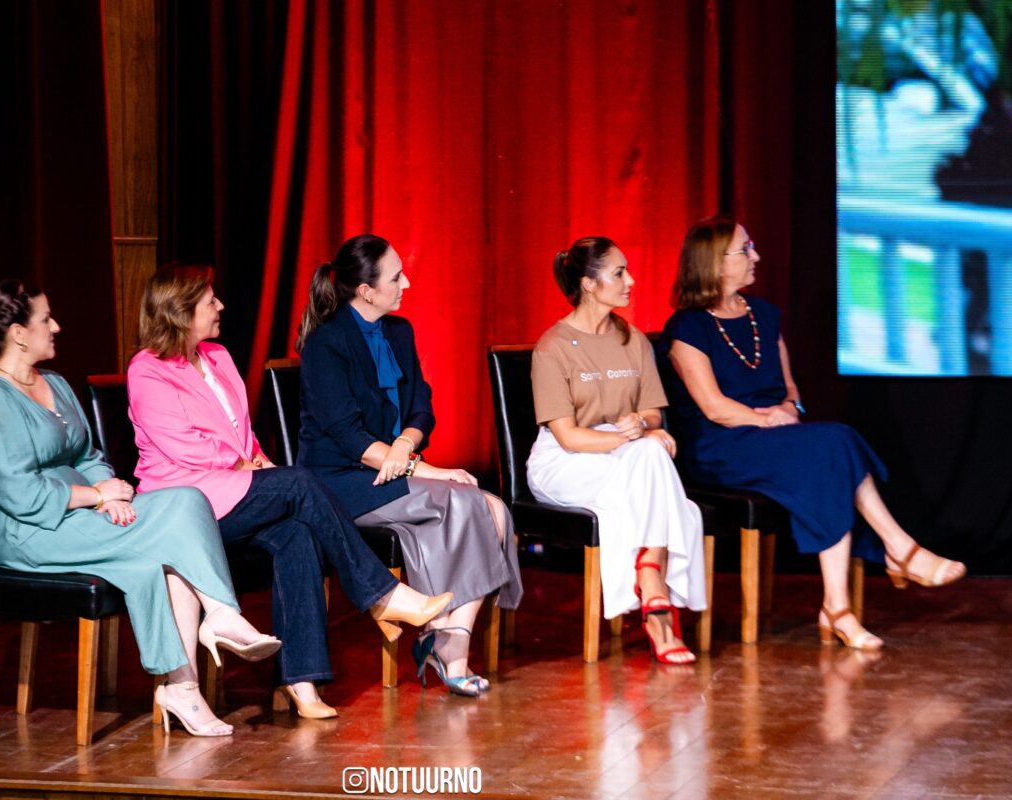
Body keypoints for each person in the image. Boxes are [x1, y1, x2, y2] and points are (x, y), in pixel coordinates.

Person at [126, 264, 452, 719]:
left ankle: (301, 680)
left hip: (235, 487)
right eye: (209, 302)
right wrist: (245, 465)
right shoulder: (147, 371)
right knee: (299, 481)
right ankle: (381, 594)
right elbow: (181, 445)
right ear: (180, 313)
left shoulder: (217, 357)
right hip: (188, 505)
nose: (221, 306)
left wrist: (255, 459)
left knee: (298, 531)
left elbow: (242, 432)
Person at [0, 279, 279, 738]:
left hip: (82, 515)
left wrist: (106, 490)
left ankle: (188, 677)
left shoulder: (54, 384)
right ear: (18, 333)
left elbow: (86, 456)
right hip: (29, 531)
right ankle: (211, 634)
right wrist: (98, 497)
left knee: (187, 501)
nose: (57, 326)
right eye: (45, 319)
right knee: (166, 542)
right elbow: (19, 496)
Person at [662, 216, 966, 650]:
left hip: (775, 436)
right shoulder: (687, 328)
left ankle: (840, 605)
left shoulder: (762, 315)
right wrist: (767, 419)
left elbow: (789, 389)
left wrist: (787, 408)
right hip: (721, 445)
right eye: (745, 249)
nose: (756, 256)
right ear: (714, 262)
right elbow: (713, 407)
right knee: (834, 443)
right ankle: (897, 551)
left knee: (829, 453)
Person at [294, 234, 523, 697]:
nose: (407, 283)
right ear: (365, 291)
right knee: (481, 507)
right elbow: (348, 438)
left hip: (394, 468)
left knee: (492, 510)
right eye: (396, 276)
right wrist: (427, 469)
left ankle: (447, 640)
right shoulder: (325, 345)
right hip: (343, 481)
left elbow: (422, 406)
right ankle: (450, 649)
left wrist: (405, 445)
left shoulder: (400, 332)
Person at [526, 237, 704, 664]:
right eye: (619, 272)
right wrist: (634, 438)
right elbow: (569, 437)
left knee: (650, 457)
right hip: (565, 461)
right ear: (588, 284)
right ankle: (657, 596)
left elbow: (652, 416)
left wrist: (642, 426)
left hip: (626, 455)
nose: (631, 281)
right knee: (656, 468)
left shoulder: (634, 340)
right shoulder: (551, 347)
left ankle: (651, 584)